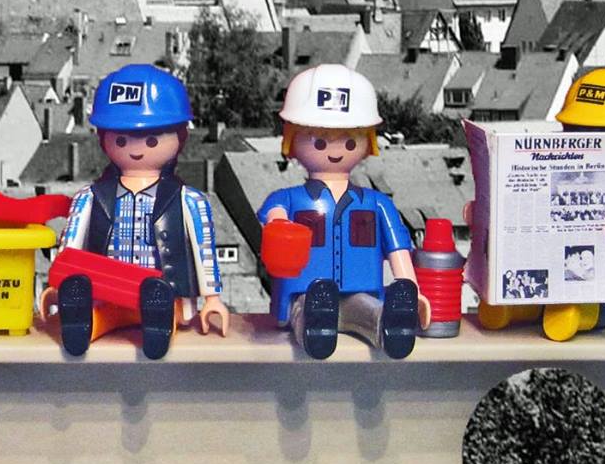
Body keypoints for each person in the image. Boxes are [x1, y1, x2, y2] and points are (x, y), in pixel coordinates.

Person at [475, 67, 605, 342]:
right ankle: (513, 309)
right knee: (537, 291)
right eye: (578, 133)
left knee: (582, 304)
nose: (589, 144)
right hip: (561, 276)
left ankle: (572, 314)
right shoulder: (565, 178)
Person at [52, 64, 228, 360]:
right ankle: (81, 325)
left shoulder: (187, 200)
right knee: (97, 317)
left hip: (162, 289)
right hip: (106, 291)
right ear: (105, 139)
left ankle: (158, 326)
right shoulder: (91, 197)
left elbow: (203, 249)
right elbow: (70, 246)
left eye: (151, 140)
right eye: (121, 140)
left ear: (180, 136)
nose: (136, 148)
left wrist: (212, 297)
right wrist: (61, 285)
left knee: (160, 307)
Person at [257, 64, 418, 360]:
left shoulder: (375, 203)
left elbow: (398, 250)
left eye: (349, 140)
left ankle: (390, 325)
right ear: (292, 140)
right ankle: (315, 330)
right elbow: (274, 215)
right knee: (305, 310)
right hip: (304, 292)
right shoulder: (289, 199)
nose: (335, 150)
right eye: (319, 141)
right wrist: (279, 224)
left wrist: (411, 291)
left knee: (369, 310)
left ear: (367, 142)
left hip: (361, 291)